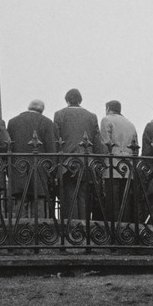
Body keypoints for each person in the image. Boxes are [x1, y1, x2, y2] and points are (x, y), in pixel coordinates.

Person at [52, 88, 104, 221]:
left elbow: (56, 140)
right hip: (86, 161)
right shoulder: (91, 116)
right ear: (80, 100)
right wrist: (100, 164)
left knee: (69, 196)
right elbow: (98, 142)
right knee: (84, 196)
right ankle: (83, 227)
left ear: (67, 100)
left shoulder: (59, 115)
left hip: (67, 162)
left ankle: (70, 227)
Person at [7, 99, 57, 218]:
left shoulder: (13, 122)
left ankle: (20, 232)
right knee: (39, 200)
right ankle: (39, 232)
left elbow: (9, 146)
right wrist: (52, 172)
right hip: (39, 167)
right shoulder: (47, 122)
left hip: (18, 166)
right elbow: (51, 148)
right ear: (42, 110)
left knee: (20, 200)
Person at [99, 99, 139, 223]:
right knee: (125, 200)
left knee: (112, 200)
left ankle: (112, 229)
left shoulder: (107, 120)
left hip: (112, 165)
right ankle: (125, 228)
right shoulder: (130, 124)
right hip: (127, 167)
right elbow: (136, 147)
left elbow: (105, 143)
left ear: (108, 108)